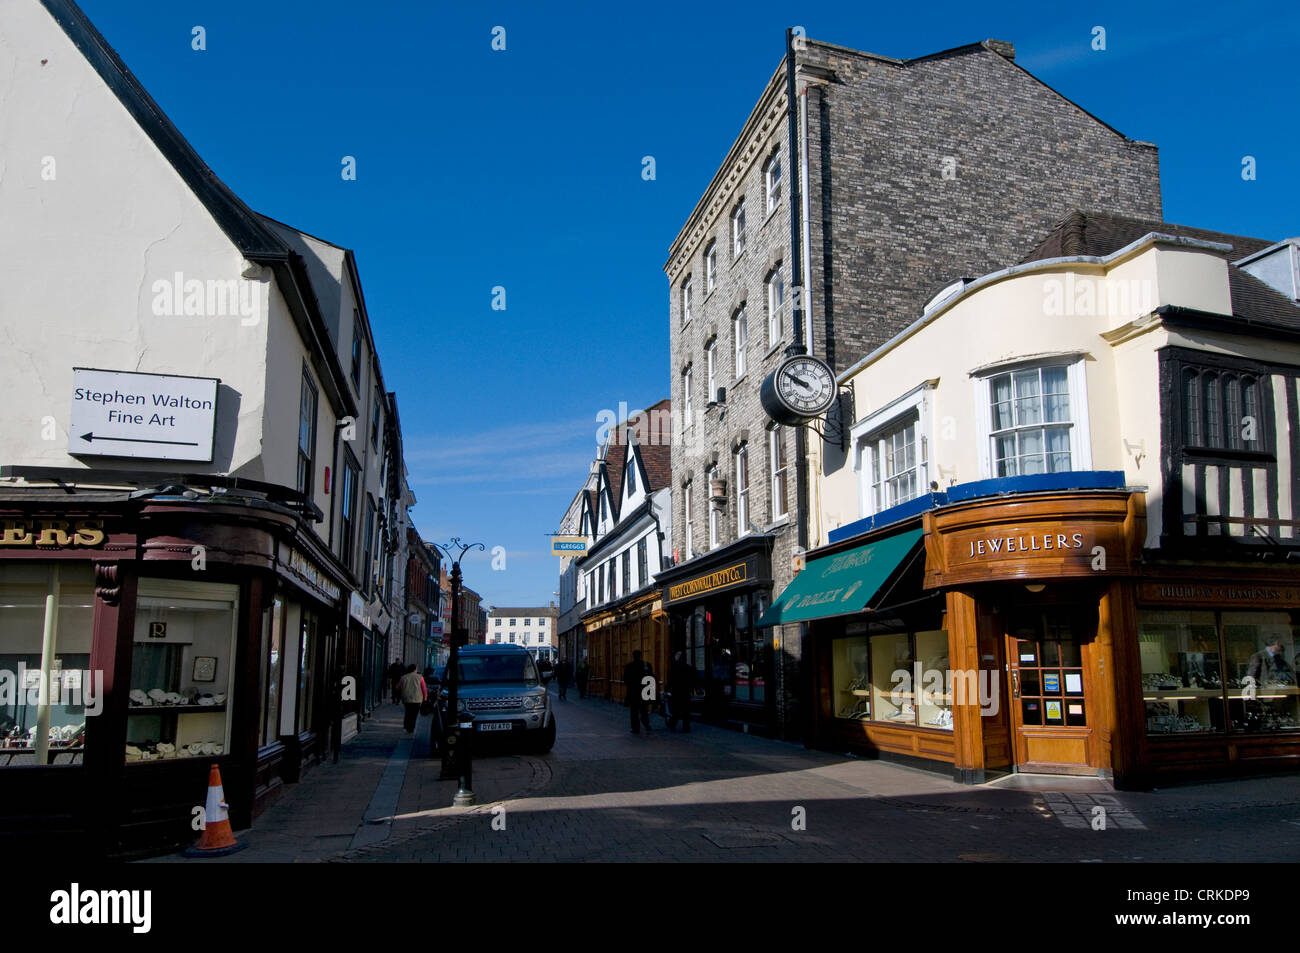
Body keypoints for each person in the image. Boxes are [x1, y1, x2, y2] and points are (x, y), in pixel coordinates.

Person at [623, 650, 653, 734]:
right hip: (644, 691)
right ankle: (646, 724)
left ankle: (635, 728)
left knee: (634, 711)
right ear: (640, 656)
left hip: (633, 692)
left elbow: (626, 680)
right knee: (644, 709)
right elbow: (651, 678)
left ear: (633, 656)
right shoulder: (647, 665)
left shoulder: (629, 666)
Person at [666, 650, 695, 732]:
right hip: (686, 691)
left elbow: (670, 680)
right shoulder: (688, 667)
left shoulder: (674, 667)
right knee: (686, 710)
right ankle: (686, 727)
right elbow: (692, 680)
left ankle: (672, 724)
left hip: (676, 691)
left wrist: (668, 689)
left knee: (676, 709)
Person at [398, 664, 426, 733]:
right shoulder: (420, 677)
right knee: (414, 714)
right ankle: (411, 728)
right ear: (415, 669)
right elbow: (424, 689)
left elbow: (398, 687)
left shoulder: (403, 677)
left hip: (406, 698)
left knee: (408, 712)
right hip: (417, 699)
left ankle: (406, 726)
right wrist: (425, 697)